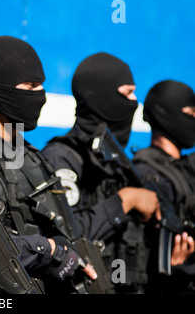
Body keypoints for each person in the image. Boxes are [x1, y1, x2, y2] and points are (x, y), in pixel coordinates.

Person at [0, 36, 97, 293]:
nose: (41, 96)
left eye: (41, 86)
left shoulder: (33, 155)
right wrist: (49, 250)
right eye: (31, 86)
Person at [40, 52, 161, 293]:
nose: (135, 102)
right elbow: (66, 237)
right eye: (128, 92)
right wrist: (125, 201)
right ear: (103, 97)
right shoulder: (63, 156)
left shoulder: (114, 160)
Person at [132, 80, 195, 293]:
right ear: (165, 114)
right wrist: (174, 268)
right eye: (190, 113)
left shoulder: (184, 167)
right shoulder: (147, 171)